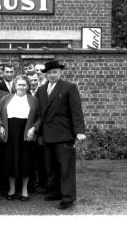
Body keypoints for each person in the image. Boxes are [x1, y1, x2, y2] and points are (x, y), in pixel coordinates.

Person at [35, 61, 86, 210]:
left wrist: (79, 131)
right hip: (47, 135)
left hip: (64, 134)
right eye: (49, 73)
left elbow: (76, 111)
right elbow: (39, 114)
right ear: (46, 74)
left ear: (60, 72)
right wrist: (37, 131)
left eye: (55, 72)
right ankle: (55, 191)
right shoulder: (41, 90)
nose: (52, 75)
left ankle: (67, 197)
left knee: (66, 167)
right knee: (51, 166)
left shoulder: (69, 87)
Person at [0, 75, 40, 202]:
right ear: (15, 86)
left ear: (27, 86)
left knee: (25, 161)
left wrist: (34, 128)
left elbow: (39, 117)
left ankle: (25, 190)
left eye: (24, 85)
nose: (21, 87)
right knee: (11, 161)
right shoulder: (5, 98)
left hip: (26, 134)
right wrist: (0, 127)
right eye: (19, 85)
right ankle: (12, 189)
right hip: (10, 134)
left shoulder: (33, 100)